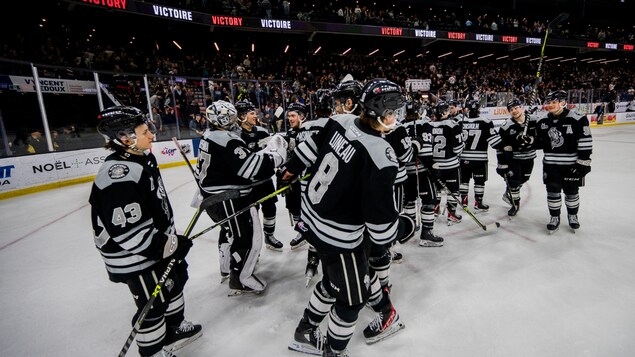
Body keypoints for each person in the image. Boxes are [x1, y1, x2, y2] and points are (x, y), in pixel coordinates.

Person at [284, 79, 409, 357]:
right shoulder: (380, 153)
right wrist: (404, 226)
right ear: (377, 110)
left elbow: (307, 150)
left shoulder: (338, 121)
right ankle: (335, 352)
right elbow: (381, 230)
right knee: (351, 300)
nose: (395, 118)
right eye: (392, 111)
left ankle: (306, 330)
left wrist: (290, 170)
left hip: (314, 220)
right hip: (341, 238)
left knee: (332, 282)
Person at [89, 106, 201, 357]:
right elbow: (129, 233)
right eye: (144, 131)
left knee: (174, 282)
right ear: (125, 138)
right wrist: (168, 246)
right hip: (135, 255)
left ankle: (174, 329)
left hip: (156, 244)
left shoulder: (142, 158)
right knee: (153, 304)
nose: (152, 135)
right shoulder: (118, 175)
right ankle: (152, 350)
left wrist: (170, 240)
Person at [196, 100, 287, 294]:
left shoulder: (210, 134)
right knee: (245, 236)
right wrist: (277, 157)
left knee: (229, 231)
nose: (235, 119)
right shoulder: (227, 139)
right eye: (232, 116)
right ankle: (240, 277)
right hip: (228, 198)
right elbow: (250, 168)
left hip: (214, 197)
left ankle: (226, 266)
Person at [535, 90, 593, 233]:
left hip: (571, 165)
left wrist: (584, 161)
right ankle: (554, 217)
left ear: (562, 102)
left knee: (572, 192)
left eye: (554, 102)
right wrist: (529, 141)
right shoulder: (542, 120)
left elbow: (585, 141)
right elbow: (540, 142)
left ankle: (573, 216)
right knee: (552, 192)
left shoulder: (577, 118)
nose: (550, 105)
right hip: (550, 165)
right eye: (549, 102)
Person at [235, 99, 284, 251]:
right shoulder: (235, 136)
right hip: (248, 185)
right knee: (251, 216)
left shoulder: (262, 132)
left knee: (270, 209)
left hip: (265, 181)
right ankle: (252, 246)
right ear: (242, 116)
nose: (255, 116)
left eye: (254, 113)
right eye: (251, 113)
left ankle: (269, 237)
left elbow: (271, 151)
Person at [458, 99, 504, 211]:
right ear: (478, 109)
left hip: (463, 158)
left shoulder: (461, 122)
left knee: (464, 180)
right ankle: (478, 203)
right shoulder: (485, 122)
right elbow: (495, 142)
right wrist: (507, 145)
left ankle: (464, 201)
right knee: (479, 181)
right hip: (480, 159)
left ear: (467, 109)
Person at [496, 98, 537, 216]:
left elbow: (542, 139)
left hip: (529, 158)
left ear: (522, 108)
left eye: (516, 108)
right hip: (514, 159)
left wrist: (531, 140)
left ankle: (508, 191)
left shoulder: (534, 121)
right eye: (511, 109)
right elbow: (500, 146)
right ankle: (515, 204)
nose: (514, 111)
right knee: (514, 183)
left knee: (523, 180)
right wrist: (501, 163)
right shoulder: (506, 126)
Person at [429, 101, 465, 225]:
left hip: (434, 166)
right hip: (450, 166)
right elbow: (458, 149)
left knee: (437, 190)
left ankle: (434, 210)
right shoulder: (453, 125)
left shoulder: (428, 125)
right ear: (445, 112)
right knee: (453, 191)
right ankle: (451, 215)